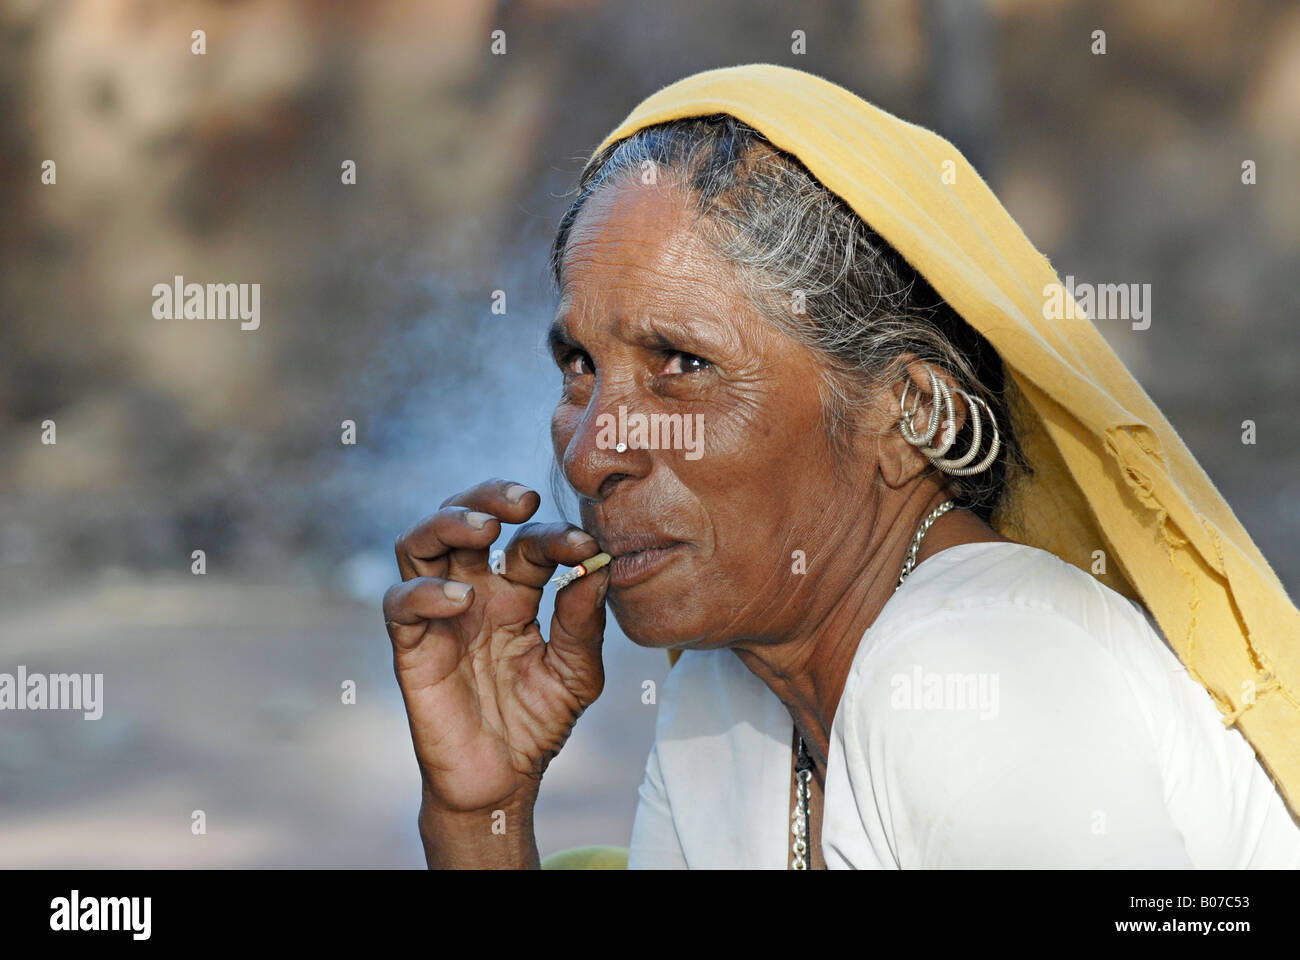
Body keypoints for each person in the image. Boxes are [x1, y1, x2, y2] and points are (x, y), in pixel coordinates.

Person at [383, 65, 1300, 869]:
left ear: (905, 416)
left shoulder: (977, 674)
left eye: (682, 364)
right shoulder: (723, 694)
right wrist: (483, 812)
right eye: (579, 368)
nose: (589, 454)